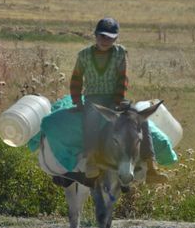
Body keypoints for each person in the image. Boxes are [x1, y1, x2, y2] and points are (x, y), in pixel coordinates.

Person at [70, 17, 167, 184]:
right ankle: (91, 159)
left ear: (116, 38)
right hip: (93, 98)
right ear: (95, 35)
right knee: (91, 116)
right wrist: (77, 100)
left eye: (110, 38)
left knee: (139, 118)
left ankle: (151, 165)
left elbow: (123, 78)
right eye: (102, 36)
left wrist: (118, 100)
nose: (105, 41)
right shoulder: (84, 55)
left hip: (116, 98)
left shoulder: (120, 53)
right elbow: (76, 78)